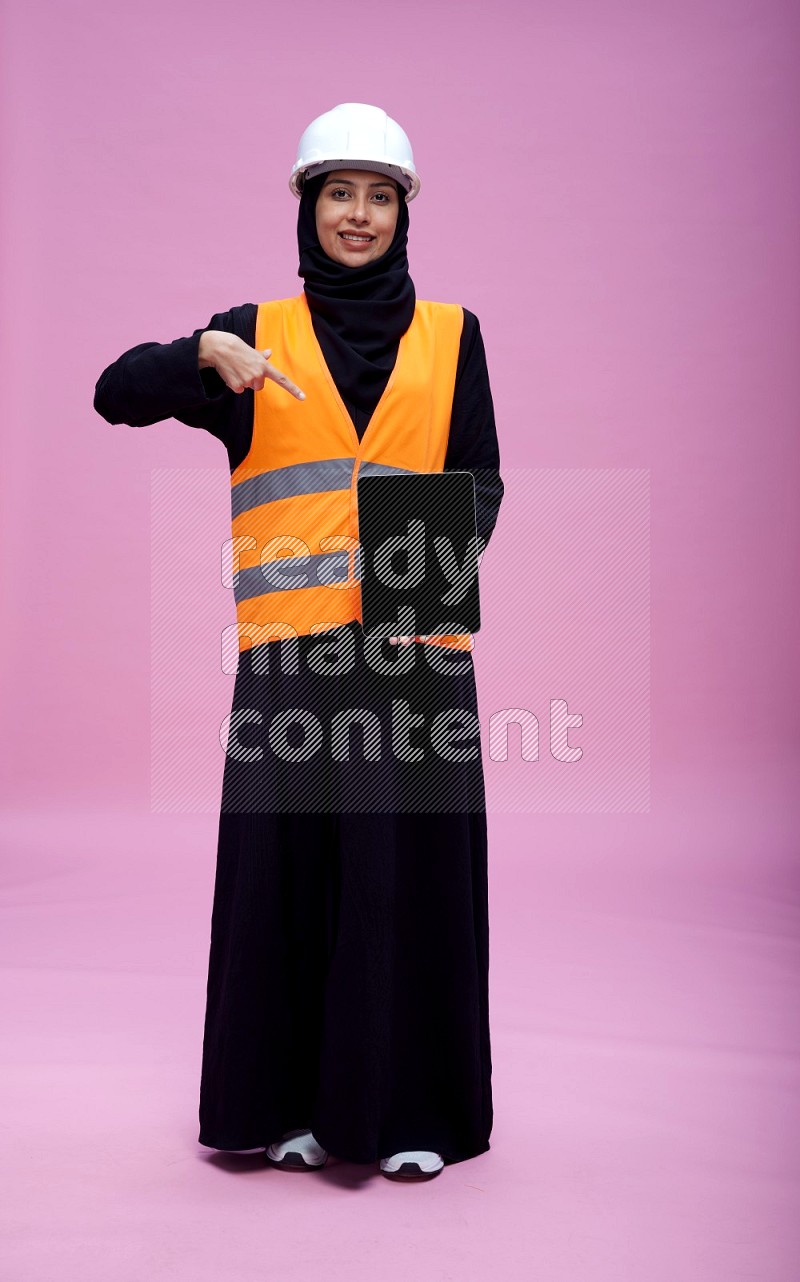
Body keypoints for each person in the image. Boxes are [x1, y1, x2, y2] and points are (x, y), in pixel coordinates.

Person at [94, 102, 504, 1181]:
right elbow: (111, 395)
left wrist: (400, 590)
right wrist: (195, 355)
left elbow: (482, 479)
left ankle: (407, 1113)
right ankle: (284, 1107)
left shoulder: (453, 336)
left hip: (413, 660)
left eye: (379, 194)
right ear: (306, 207)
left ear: (403, 210)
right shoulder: (248, 338)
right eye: (339, 193)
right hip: (290, 667)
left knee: (401, 884)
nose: (358, 215)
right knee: (289, 881)